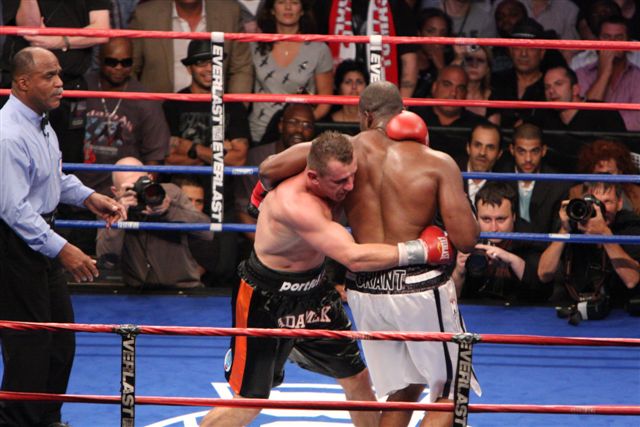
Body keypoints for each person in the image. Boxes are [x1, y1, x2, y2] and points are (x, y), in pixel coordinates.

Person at [257, 81, 481, 426]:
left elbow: (268, 169)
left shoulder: (346, 153)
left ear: (366, 116)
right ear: (403, 112)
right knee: (452, 394)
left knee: (406, 386)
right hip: (419, 287)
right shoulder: (436, 162)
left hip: (365, 289)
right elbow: (466, 240)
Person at [201, 131, 457, 426]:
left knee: (357, 378)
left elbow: (274, 166)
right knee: (251, 401)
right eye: (340, 181)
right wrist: (421, 250)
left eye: (352, 176)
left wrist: (265, 181)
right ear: (313, 177)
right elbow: (353, 257)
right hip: (266, 298)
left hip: (314, 293)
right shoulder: (296, 204)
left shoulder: (334, 157)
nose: (350, 187)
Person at [0, 47, 126, 427]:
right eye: (50, 76)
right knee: (29, 342)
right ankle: (17, 422)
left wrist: (88, 196)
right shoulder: (7, 135)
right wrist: (63, 249)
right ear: (23, 83)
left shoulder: (41, 122)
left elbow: (51, 177)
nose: (60, 84)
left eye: (59, 75)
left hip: (40, 237)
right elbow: (13, 209)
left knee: (60, 338)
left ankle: (47, 417)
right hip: (15, 243)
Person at [163, 39, 251, 286]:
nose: (209, 69)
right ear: (189, 67)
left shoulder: (233, 105)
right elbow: (169, 157)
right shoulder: (173, 104)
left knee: (223, 270)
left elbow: (239, 158)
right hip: (182, 199)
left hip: (221, 197)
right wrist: (219, 152)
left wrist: (191, 148)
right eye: (202, 63)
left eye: (215, 63)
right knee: (180, 271)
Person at [2, 0, 111, 163]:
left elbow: (102, 30)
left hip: (71, 85)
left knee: (68, 156)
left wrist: (60, 40)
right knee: (17, 150)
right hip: (26, 86)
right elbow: (30, 28)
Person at [96, 157, 212, 289]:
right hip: (137, 292)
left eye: (140, 184)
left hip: (183, 288)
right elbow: (107, 260)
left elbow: (207, 232)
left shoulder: (171, 193)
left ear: (150, 178)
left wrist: (169, 211)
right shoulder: (109, 208)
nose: (137, 192)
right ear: (115, 191)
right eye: (130, 188)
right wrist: (119, 216)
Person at [80, 37, 169, 196]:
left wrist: (141, 193)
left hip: (124, 191)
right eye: (112, 62)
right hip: (79, 187)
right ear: (99, 59)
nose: (119, 67)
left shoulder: (144, 99)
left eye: (126, 62)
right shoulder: (81, 87)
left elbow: (155, 156)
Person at [538, 182, 640, 320]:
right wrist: (565, 231)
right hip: (574, 309)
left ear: (620, 203)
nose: (600, 208)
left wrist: (604, 233)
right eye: (595, 202)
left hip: (619, 310)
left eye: (607, 202)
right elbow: (544, 274)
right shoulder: (574, 221)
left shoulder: (629, 225)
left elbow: (631, 280)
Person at [249, 0, 333, 145]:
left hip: (299, 136)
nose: (288, 7)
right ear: (272, 9)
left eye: (294, 2)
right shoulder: (255, 45)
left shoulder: (319, 49)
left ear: (302, 10)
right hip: (258, 131)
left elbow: (325, 101)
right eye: (281, 2)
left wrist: (302, 123)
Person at [452, 181, 551, 304]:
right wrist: (459, 272)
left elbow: (542, 294)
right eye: (486, 219)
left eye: (501, 219)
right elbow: (452, 300)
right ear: (476, 217)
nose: (494, 228)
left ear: (514, 216)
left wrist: (511, 259)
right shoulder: (467, 237)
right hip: (477, 308)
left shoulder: (530, 237)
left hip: (521, 309)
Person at [129, 0, 253, 94]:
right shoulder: (145, 15)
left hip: (216, 114)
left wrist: (235, 110)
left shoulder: (229, 13)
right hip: (158, 114)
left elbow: (241, 68)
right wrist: (141, 112)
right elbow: (130, 68)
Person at [235, 103, 316, 240]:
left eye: (306, 125)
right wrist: (267, 245)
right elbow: (242, 212)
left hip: (305, 241)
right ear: (280, 125)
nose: (299, 130)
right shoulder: (256, 157)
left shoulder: (319, 162)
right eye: (293, 122)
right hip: (262, 238)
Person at [317, 0, 419, 98]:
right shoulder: (327, 4)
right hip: (338, 96)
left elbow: (409, 61)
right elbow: (318, 54)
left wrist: (401, 105)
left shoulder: (396, 5)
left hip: (385, 98)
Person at [498, 123, 570, 234]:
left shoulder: (558, 184)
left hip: (546, 244)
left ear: (543, 150)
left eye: (534, 151)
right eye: (521, 151)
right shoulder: (499, 179)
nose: (528, 159)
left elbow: (560, 229)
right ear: (512, 150)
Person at [574, 16, 640, 131]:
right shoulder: (581, 74)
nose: (612, 43)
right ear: (598, 41)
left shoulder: (637, 77)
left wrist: (602, 126)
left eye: (619, 37)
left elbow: (636, 122)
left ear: (629, 43)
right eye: (606, 37)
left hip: (627, 141)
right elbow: (583, 119)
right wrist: (604, 73)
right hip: (589, 140)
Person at [411, 64, 487, 160]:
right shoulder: (415, 118)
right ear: (434, 87)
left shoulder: (478, 125)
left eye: (460, 88)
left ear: (466, 94)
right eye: (447, 85)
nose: (453, 93)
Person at [569, 139, 640, 215]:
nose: (604, 179)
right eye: (599, 174)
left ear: (620, 172)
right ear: (591, 173)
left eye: (608, 174)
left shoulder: (636, 193)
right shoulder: (577, 192)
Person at [457, 122, 504, 205]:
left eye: (490, 147)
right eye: (477, 145)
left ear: (499, 153)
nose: (482, 152)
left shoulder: (505, 182)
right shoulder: (450, 173)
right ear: (468, 147)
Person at [413, 7, 453, 99]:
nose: (437, 38)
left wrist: (441, 67)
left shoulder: (450, 60)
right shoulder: (406, 58)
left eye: (443, 33)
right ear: (419, 33)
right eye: (430, 31)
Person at [325, 59, 370, 124]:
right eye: (348, 82)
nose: (354, 87)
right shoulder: (326, 122)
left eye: (359, 82)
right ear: (339, 88)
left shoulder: (373, 121)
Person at [462, 45, 494, 119]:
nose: (474, 65)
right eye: (469, 59)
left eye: (480, 60)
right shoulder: (453, 93)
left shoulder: (494, 97)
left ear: (487, 69)